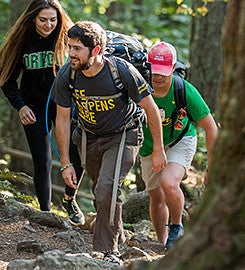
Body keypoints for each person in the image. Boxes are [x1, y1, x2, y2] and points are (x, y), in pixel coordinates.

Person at [51, 21, 167, 264]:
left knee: (107, 188)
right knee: (101, 190)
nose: (71, 53)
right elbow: (62, 119)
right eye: (69, 47)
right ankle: (118, 233)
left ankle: (107, 251)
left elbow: (151, 108)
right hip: (87, 136)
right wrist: (65, 161)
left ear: (96, 51)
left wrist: (158, 148)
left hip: (123, 134)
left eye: (77, 49)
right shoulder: (67, 73)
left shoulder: (122, 71)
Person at [0, 0, 85, 226]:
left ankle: (69, 199)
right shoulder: (22, 42)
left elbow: (84, 69)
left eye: (53, 19)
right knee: (42, 160)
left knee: (74, 154)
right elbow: (7, 80)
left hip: (64, 105)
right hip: (34, 107)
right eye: (43, 20)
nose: (48, 24)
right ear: (33, 18)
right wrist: (20, 106)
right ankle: (45, 213)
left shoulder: (67, 40)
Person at [139, 41, 218, 250]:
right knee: (155, 197)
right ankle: (163, 243)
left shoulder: (184, 90)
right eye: (154, 71)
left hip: (180, 139)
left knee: (169, 182)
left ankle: (177, 225)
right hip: (148, 146)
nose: (158, 77)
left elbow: (211, 128)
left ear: (173, 68)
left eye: (164, 72)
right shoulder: (139, 86)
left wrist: (212, 168)